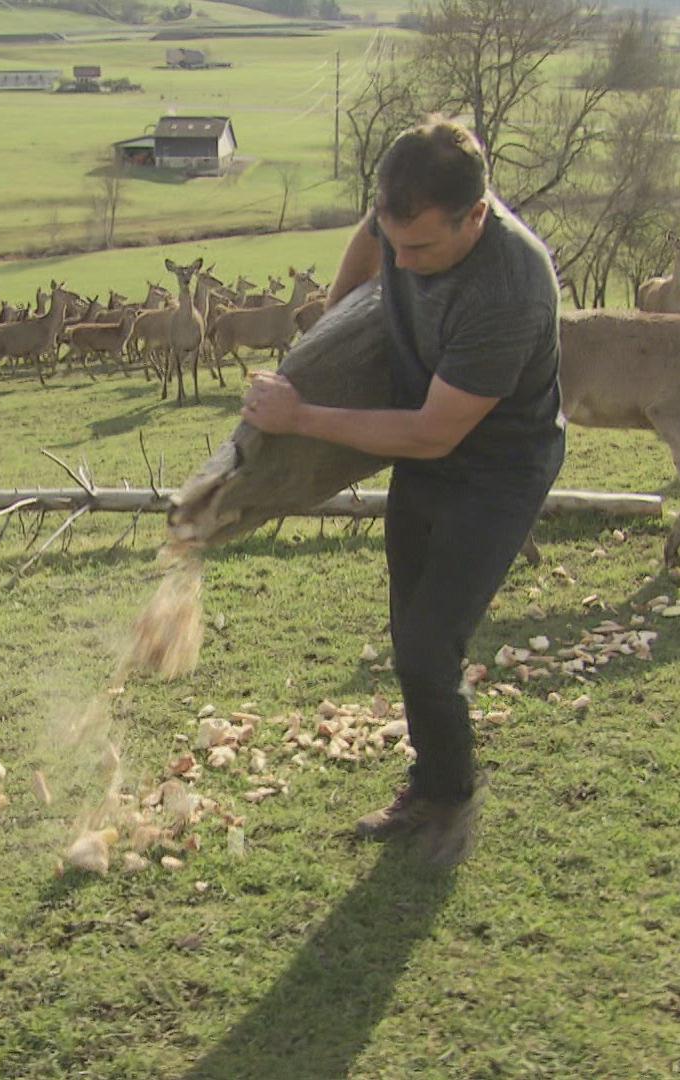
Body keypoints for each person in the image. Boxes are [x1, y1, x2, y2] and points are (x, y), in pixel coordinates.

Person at [241, 117, 565, 865]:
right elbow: (370, 235)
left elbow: (432, 434)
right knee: (408, 630)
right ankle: (431, 779)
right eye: (399, 242)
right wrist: (340, 320)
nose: (407, 261)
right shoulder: (401, 213)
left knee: (428, 642)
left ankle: (449, 796)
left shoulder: (510, 289)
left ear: (476, 216)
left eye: (422, 248)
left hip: (498, 467)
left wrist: (305, 415)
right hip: (430, 444)